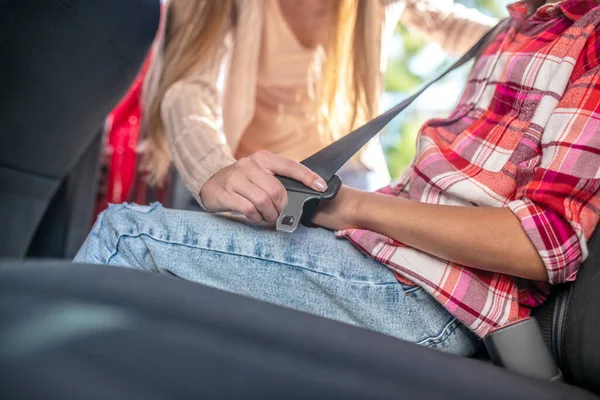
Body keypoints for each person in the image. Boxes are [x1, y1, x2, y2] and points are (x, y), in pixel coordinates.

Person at [75, 0, 600, 357]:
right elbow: (190, 93)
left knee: (129, 238)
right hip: (250, 174)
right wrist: (216, 171)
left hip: (344, 188)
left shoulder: (546, 28)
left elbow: (543, 239)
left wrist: (530, 34)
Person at [135, 0, 497, 213]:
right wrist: (214, 171)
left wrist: (535, 26)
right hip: (253, 183)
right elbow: (188, 90)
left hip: (348, 180)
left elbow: (449, 24)